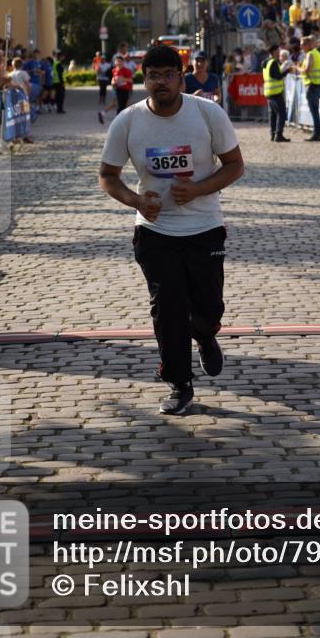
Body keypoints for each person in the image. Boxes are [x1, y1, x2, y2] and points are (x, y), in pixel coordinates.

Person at [99, 44, 244, 416]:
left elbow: (234, 166)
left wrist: (197, 189)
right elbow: (108, 176)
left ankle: (207, 334)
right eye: (153, 75)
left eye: (167, 74)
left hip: (205, 226)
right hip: (155, 231)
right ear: (143, 79)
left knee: (207, 307)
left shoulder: (208, 114)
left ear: (182, 77)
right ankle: (180, 383)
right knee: (168, 309)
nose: (160, 82)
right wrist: (136, 201)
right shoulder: (127, 122)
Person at [262, 43, 290, 143]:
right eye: (278, 50)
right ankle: (279, 135)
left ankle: (273, 135)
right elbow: (277, 76)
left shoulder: (265, 62)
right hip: (275, 92)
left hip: (268, 91)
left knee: (273, 114)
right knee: (281, 113)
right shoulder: (273, 62)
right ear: (274, 52)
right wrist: (287, 71)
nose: (279, 52)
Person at [301, 35, 320, 141]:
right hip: (317, 84)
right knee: (315, 111)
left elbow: (307, 70)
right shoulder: (317, 53)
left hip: (311, 85)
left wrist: (297, 68)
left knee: (314, 111)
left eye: (302, 45)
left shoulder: (310, 54)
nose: (301, 47)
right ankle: (317, 133)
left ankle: (316, 134)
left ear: (308, 45)